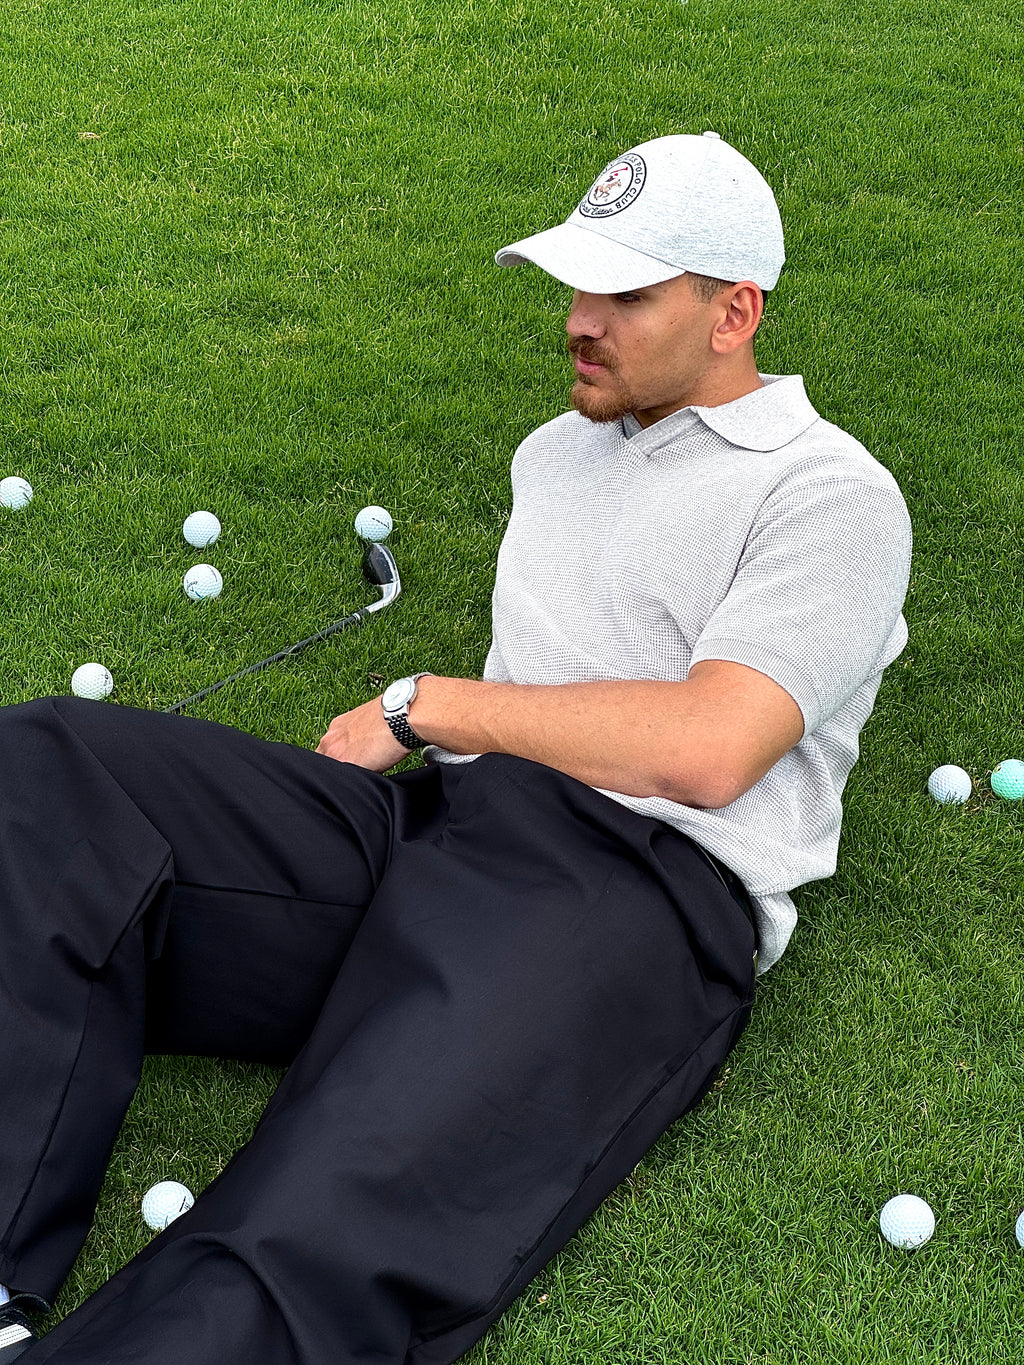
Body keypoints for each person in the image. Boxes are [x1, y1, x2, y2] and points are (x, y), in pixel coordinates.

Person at [0, 132, 911, 1363]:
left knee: (327, 1197)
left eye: (625, 295)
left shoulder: (829, 494)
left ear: (733, 311)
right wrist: (439, 742)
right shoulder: (559, 452)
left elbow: (711, 747)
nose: (580, 322)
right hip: (437, 833)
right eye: (576, 288)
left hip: (633, 894)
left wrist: (429, 704)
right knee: (54, 769)